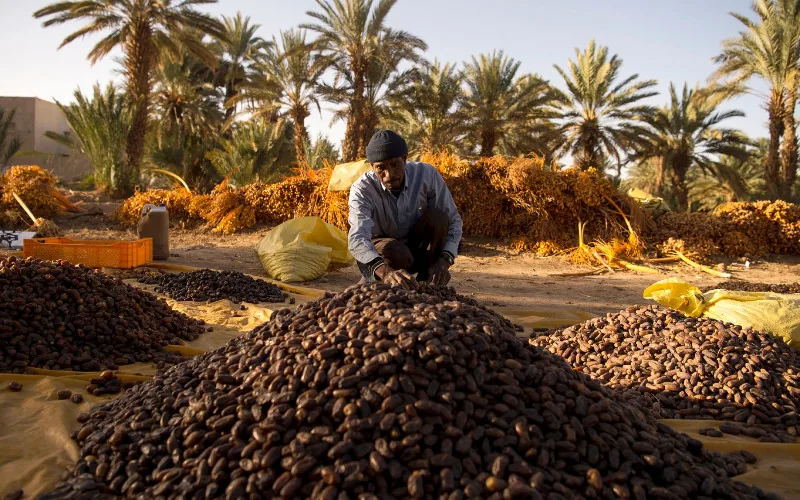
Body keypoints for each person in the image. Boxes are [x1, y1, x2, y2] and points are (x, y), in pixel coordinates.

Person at [348, 129, 463, 287]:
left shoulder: (426, 174)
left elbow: (454, 221)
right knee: (395, 251)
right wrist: (384, 271)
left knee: (439, 218)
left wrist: (445, 260)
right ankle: (379, 280)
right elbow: (357, 238)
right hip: (388, 254)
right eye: (381, 168)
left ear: (404, 159)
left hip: (417, 248)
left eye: (395, 164)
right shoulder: (361, 189)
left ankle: (426, 282)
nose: (389, 174)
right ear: (372, 166)